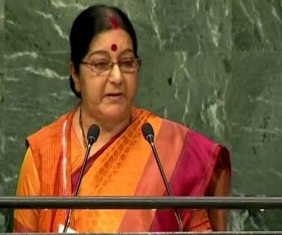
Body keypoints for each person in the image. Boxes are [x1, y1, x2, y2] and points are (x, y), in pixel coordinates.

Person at [13, 4, 231, 233]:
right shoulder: (44, 156)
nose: (117, 77)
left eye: (127, 63)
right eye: (101, 64)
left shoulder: (168, 147)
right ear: (75, 74)